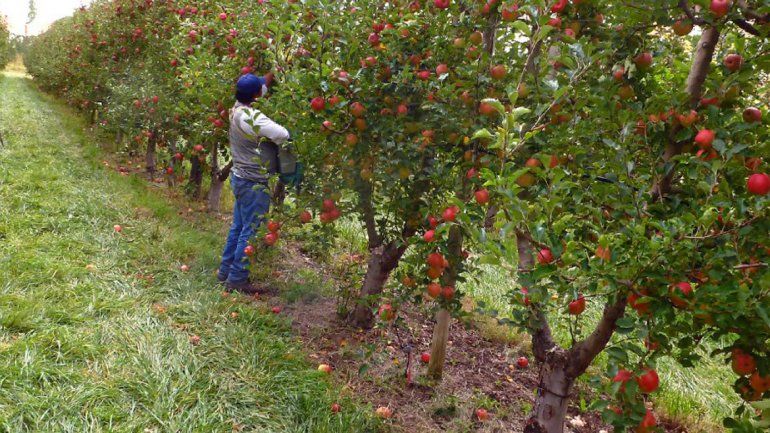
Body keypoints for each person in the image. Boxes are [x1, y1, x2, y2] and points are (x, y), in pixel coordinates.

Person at [217, 73, 290, 294]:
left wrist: (273, 74)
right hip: (253, 182)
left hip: (239, 177)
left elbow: (259, 85)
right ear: (256, 94)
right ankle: (237, 279)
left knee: (238, 227)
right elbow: (282, 134)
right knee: (250, 232)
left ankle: (225, 271)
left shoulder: (236, 110)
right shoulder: (251, 117)